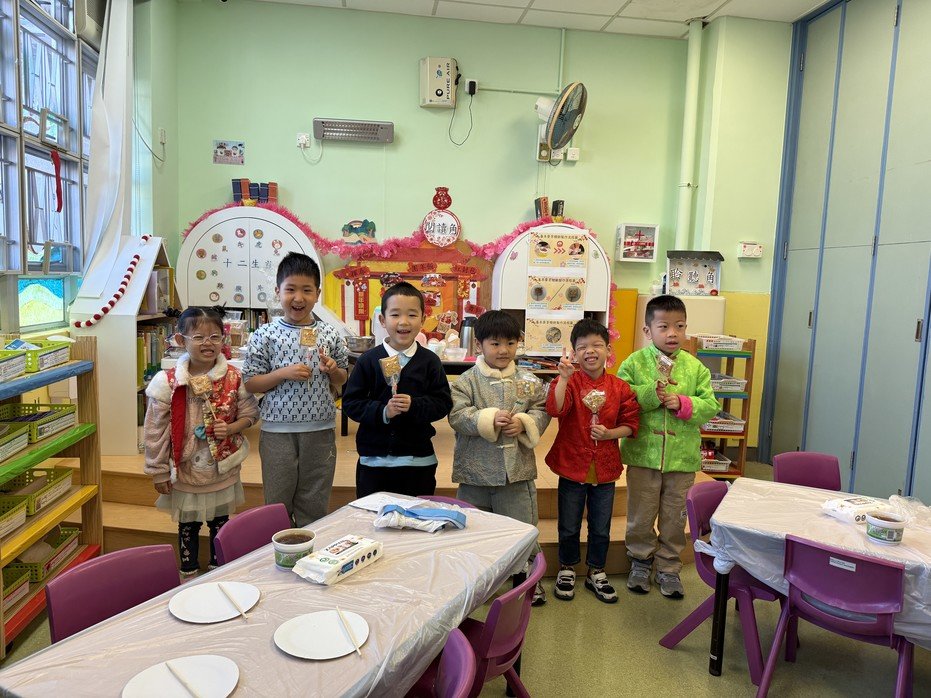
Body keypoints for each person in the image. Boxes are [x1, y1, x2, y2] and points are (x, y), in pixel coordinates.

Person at [144, 307, 259, 577]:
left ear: (223, 339)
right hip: (185, 468)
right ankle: (189, 572)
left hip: (222, 466)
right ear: (180, 340)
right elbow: (154, 430)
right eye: (198, 337)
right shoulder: (167, 382)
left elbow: (250, 414)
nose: (208, 343)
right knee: (188, 525)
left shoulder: (234, 378)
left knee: (221, 522)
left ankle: (220, 570)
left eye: (215, 337)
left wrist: (231, 428)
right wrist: (158, 469)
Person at [618, 294, 719, 598]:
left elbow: (710, 405)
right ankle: (639, 560)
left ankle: (669, 566)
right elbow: (621, 397)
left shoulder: (696, 368)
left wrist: (684, 403)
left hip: (682, 459)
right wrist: (651, 393)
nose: (672, 333)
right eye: (664, 326)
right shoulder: (634, 363)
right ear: (648, 330)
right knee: (640, 514)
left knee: (675, 517)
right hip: (643, 456)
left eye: (680, 326)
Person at [448, 311, 551, 605]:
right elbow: (457, 416)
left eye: (510, 343)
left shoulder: (528, 380)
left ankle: (526, 580)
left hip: (515, 472)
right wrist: (488, 419)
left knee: (522, 527)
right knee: (473, 528)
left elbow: (541, 409)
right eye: (495, 344)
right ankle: (474, 581)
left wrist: (525, 423)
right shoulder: (466, 381)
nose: (503, 350)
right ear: (479, 345)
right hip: (474, 472)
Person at [242, 252, 349, 526]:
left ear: (317, 294)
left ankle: (310, 544)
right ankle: (280, 546)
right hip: (277, 430)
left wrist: (332, 370)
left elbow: (342, 379)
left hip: (320, 428)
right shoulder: (264, 335)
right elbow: (251, 383)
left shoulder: (330, 334)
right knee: (277, 500)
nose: (298, 298)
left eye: (306, 290)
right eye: (290, 289)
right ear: (278, 291)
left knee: (315, 497)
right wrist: (282, 373)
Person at [545, 318, 640, 603]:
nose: (590, 351)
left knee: (601, 527)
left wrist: (610, 433)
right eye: (582, 346)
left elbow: (631, 424)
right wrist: (563, 378)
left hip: (605, 468)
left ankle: (597, 570)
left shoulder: (619, 387)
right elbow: (555, 409)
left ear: (608, 350)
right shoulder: (569, 381)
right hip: (571, 465)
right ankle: (567, 567)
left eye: (597, 345)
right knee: (568, 525)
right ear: (574, 352)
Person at [342, 282, 453, 498]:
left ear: (423, 319)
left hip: (418, 461)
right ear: (383, 320)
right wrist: (383, 411)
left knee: (416, 514)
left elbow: (442, 403)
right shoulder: (368, 360)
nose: (403, 321)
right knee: (373, 515)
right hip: (374, 462)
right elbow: (351, 403)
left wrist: (414, 405)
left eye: (412, 315)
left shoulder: (430, 361)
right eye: (395, 314)